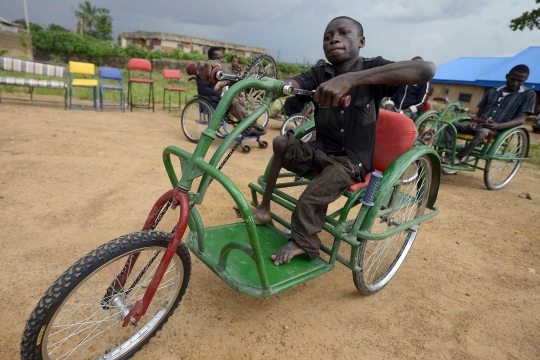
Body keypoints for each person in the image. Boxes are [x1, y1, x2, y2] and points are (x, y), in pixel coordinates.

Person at [195, 16, 435, 265]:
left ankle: (304, 242)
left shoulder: (373, 67)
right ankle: (264, 210)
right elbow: (286, 85)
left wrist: (351, 80)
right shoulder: (320, 73)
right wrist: (233, 75)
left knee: (310, 197)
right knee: (281, 143)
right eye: (327, 36)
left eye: (343, 33)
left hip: (350, 163)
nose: (334, 38)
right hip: (321, 151)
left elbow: (425, 69)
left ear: (361, 41)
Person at [443, 64, 536, 165]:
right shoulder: (492, 91)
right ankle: (448, 155)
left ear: (525, 80)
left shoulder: (528, 95)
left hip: (497, 130)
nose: (515, 83)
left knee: (483, 132)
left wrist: (498, 126)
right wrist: (474, 121)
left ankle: (458, 157)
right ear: (507, 76)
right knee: (449, 125)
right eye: (512, 79)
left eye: (520, 81)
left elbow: (520, 120)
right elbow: (480, 112)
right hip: (479, 126)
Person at [196, 47, 266, 136]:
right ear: (210, 59)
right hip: (212, 99)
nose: (221, 60)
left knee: (240, 100)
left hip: (222, 97)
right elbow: (203, 90)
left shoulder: (222, 71)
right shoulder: (204, 71)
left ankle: (251, 123)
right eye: (218, 58)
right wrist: (222, 94)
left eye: (222, 57)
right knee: (234, 101)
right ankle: (247, 127)